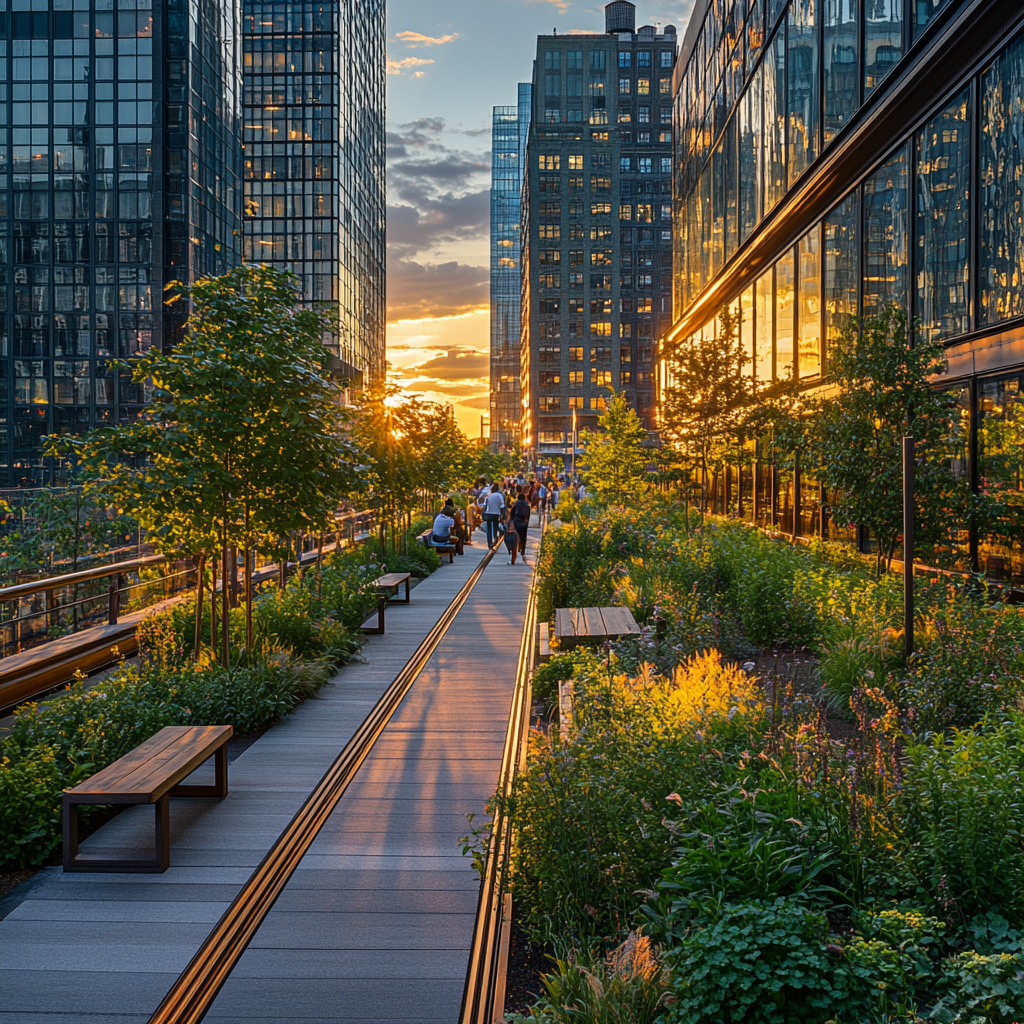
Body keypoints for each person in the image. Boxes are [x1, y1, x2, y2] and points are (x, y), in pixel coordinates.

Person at [509, 488, 532, 565]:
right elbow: (528, 512)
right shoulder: (526, 504)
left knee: (516, 536)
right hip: (524, 521)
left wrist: (512, 520)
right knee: (523, 536)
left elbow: (512, 512)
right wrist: (527, 519)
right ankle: (522, 550)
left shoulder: (516, 503)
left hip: (517, 520)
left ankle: (516, 548)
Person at [479, 482, 504, 548]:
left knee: (489, 529)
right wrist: (502, 515)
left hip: (488, 514)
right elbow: (502, 506)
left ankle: (489, 543)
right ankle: (495, 540)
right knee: (495, 527)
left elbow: (484, 506)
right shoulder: (499, 495)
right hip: (496, 514)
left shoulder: (489, 495)